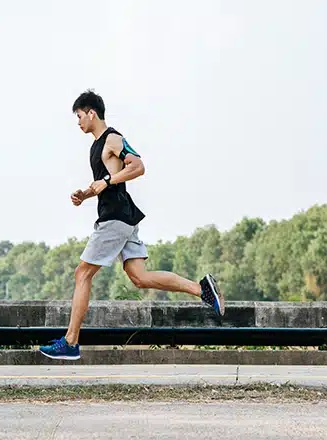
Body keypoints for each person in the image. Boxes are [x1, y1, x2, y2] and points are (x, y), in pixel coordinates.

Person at [39, 89, 224, 360]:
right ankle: (202, 289)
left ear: (92, 112)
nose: (78, 122)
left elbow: (137, 166)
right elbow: (107, 179)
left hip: (115, 218)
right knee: (139, 277)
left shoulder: (112, 138)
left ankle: (70, 342)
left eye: (79, 116)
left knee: (82, 274)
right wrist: (86, 193)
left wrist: (107, 183)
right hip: (123, 217)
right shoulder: (97, 145)